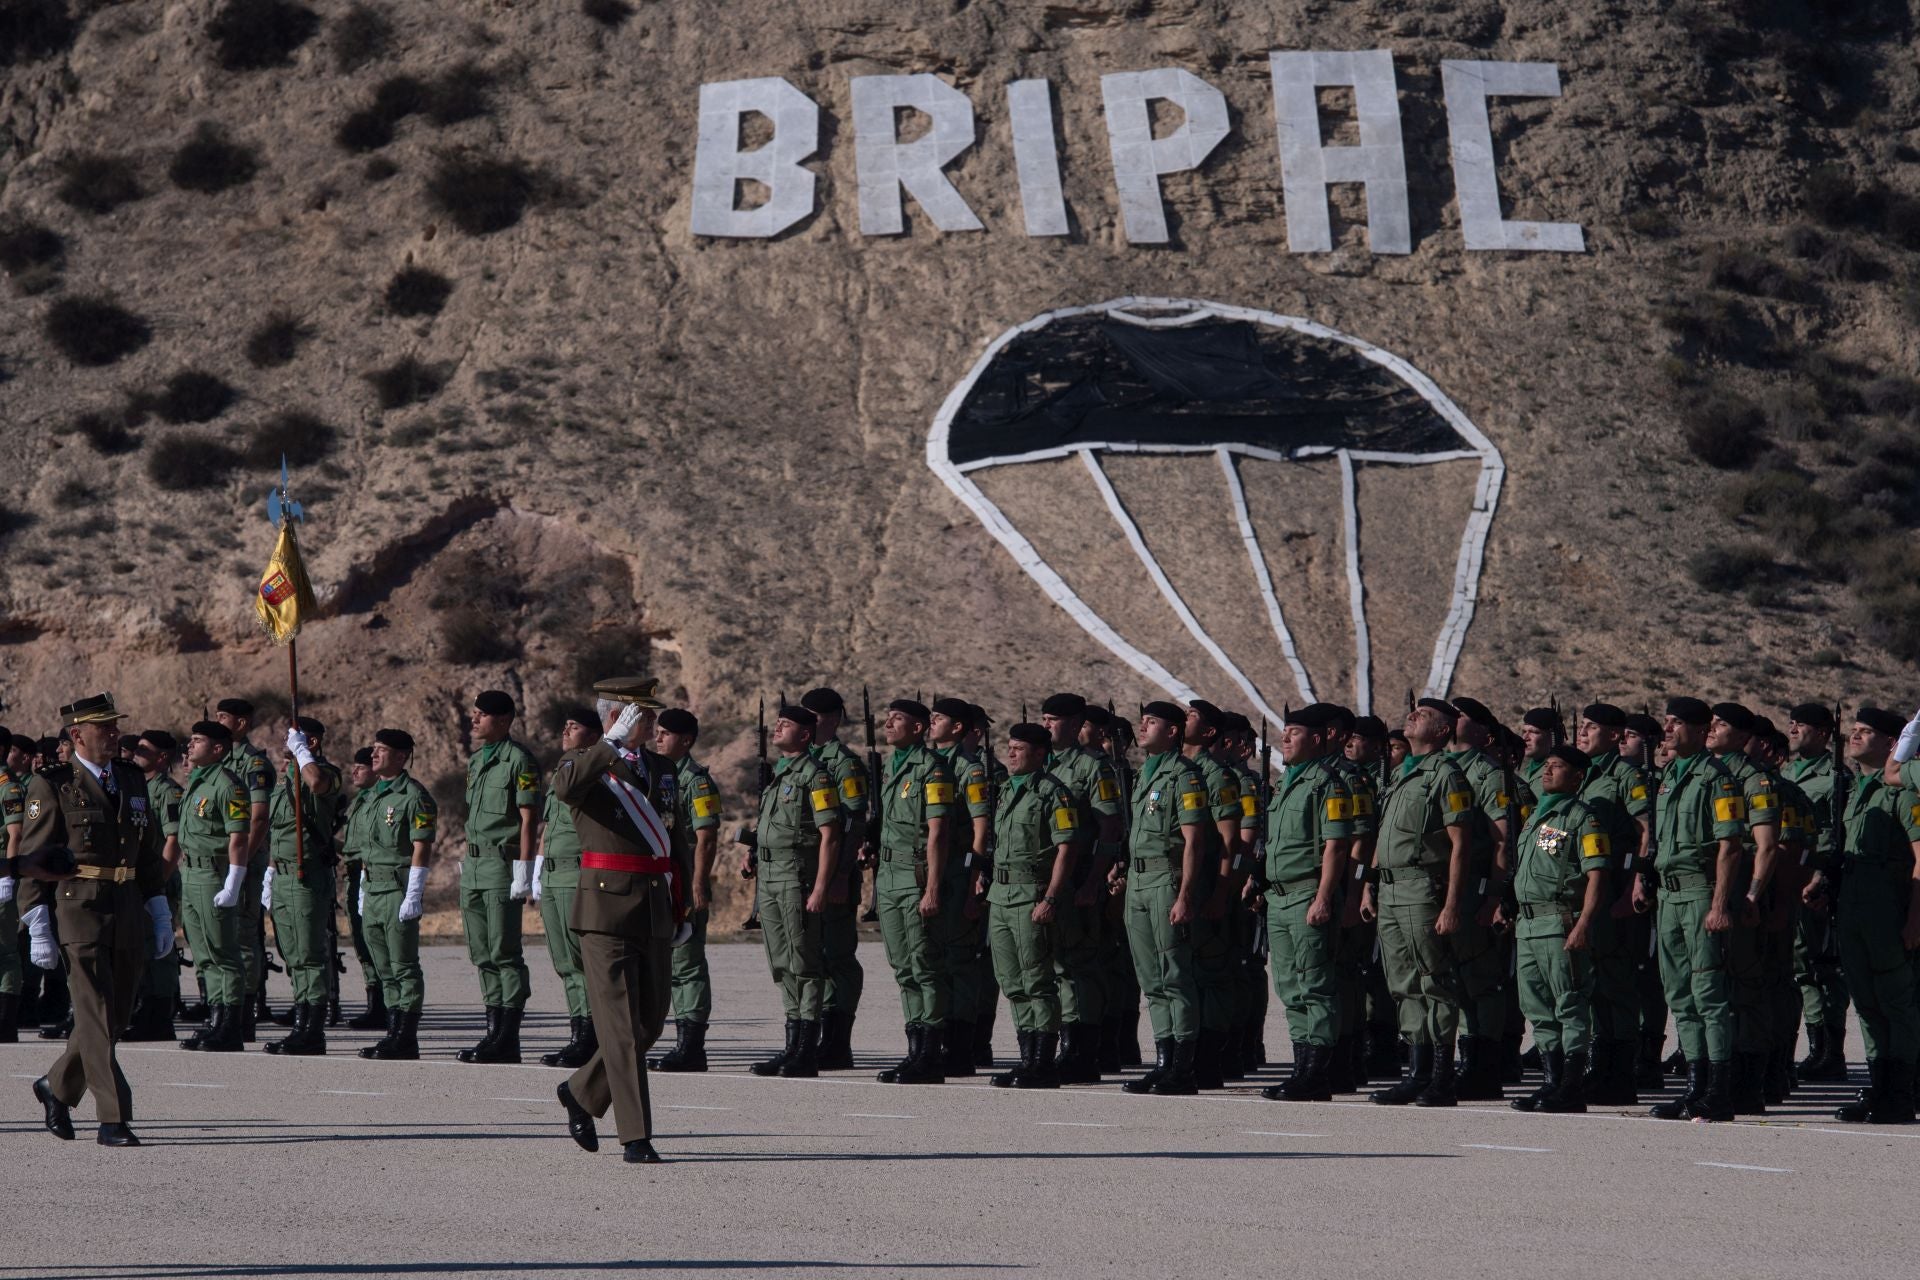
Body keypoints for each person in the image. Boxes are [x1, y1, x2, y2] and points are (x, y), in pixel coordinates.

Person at [23, 693, 171, 1148]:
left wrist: (159, 905)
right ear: (77, 735)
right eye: (103, 727)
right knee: (96, 1013)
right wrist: (37, 921)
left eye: (114, 725)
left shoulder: (130, 778)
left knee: (117, 1016)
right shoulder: (52, 784)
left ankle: (56, 1086)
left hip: (126, 904)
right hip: (79, 907)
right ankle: (113, 1118)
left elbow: (148, 849)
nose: (113, 733)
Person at [551, 680, 681, 1164]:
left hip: (655, 904)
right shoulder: (583, 762)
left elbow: (677, 837)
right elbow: (566, 789)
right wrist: (609, 745)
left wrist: (684, 904)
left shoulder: (661, 768)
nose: (653, 722)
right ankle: (636, 1136)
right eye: (644, 715)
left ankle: (580, 1091)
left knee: (650, 1022)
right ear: (617, 717)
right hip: (605, 909)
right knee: (623, 1028)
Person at [1365, 697, 1475, 1107]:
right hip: (1391, 890)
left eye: (1424, 715)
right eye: (1414, 712)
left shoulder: (1446, 775)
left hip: (1422, 889)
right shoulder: (1401, 774)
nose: (1412, 716)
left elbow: (1461, 845)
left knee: (1434, 981)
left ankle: (1441, 1078)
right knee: (1403, 984)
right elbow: (1384, 837)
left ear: (1443, 731)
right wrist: (1370, 885)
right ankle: (1418, 1073)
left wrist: (1452, 905)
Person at [1640, 697, 1746, 1122]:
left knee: (1708, 994)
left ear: (1702, 730)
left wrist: (1719, 905)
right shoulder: (1669, 776)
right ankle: (1694, 1088)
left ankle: (1718, 1091)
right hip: (1669, 897)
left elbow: (1730, 846)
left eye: (1677, 722)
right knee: (1679, 994)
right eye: (1666, 721)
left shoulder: (1716, 779)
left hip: (1701, 893)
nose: (1667, 729)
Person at [1823, 707, 1918, 1124]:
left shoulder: (1903, 791)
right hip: (1854, 908)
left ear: (1892, 743)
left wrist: (1915, 918)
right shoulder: (1858, 789)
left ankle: (1900, 1092)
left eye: (1866, 731)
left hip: (1889, 909)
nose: (1855, 736)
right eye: (1855, 729)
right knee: (1865, 1001)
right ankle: (1879, 1087)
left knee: (1896, 1001)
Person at [1258, 704, 1353, 1102]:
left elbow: (1336, 846)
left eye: (1294, 732)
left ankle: (1317, 1074)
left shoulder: (1327, 784)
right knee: (1289, 986)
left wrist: (1324, 897)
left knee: (1315, 985)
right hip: (1279, 897)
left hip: (1306, 896)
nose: (1285, 738)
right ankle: (1301, 1069)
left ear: (1315, 739)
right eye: (1285, 731)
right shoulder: (1288, 783)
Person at [1508, 745, 1610, 1114]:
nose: (1547, 771)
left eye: (1558, 766)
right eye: (1546, 765)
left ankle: (1571, 1086)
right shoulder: (1537, 816)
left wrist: (1584, 923)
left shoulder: (1582, 818)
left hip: (1559, 921)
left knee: (1570, 1003)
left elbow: (1597, 874)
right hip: (1528, 923)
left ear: (1578, 776)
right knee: (1537, 1005)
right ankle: (1551, 1083)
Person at [1118, 701, 1210, 1096]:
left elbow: (1194, 841)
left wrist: (1185, 894)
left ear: (1172, 732)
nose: (1142, 727)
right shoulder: (1146, 774)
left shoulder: (1184, 776)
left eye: (1151, 722)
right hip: (1139, 881)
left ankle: (1183, 1067)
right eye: (1142, 721)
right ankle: (1163, 1061)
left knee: (1174, 975)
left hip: (1165, 881)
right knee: (1151, 978)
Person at [746, 704, 841, 1078]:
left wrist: (820, 888)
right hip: (770, 877)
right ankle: (791, 1045)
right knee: (781, 962)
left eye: (785, 725)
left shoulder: (815, 776)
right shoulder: (778, 774)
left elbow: (830, 836)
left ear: (804, 734)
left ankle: (806, 1050)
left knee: (804, 962)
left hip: (796, 877)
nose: (777, 728)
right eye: (778, 723)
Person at [1038, 693, 1125, 1083]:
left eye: (1054, 720)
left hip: (1079, 881)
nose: (1047, 726)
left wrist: (1094, 882)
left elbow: (1110, 828)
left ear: (1075, 725)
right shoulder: (1040, 763)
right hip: (1047, 883)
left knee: (1079, 967)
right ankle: (1059, 1044)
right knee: (1051, 967)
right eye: (1044, 718)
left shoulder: (1093, 767)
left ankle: (1081, 1051)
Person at [984, 722, 1076, 1088]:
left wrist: (1051, 897)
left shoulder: (1052, 793)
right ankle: (1027, 1058)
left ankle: (1043, 1061)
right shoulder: (1007, 789)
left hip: (1030, 896)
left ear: (1039, 754)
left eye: (1019, 748)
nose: (1010, 753)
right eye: (1009, 747)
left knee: (1037, 979)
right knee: (1011, 981)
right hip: (1001, 896)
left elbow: (1066, 848)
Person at [1571, 703, 1652, 1105]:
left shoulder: (1626, 776)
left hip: (1616, 885)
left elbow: (1645, 831)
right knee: (1593, 981)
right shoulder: (1582, 775)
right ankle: (1598, 1067)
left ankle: (1620, 1074)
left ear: (1616, 735)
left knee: (1616, 981)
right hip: (1588, 887)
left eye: (1591, 727)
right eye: (1582, 726)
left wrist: (1636, 884)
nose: (1583, 733)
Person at [872, 698, 955, 1085]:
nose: (888, 724)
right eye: (888, 718)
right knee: (903, 967)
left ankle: (931, 1054)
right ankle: (914, 1050)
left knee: (925, 965)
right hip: (889, 877)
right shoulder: (892, 765)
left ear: (919, 728)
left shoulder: (931, 769)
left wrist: (933, 889)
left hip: (917, 877)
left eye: (897, 719)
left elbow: (938, 833)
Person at [457, 690, 540, 1065]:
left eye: (482, 714)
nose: (474, 720)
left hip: (501, 866)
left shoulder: (519, 760)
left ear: (504, 720)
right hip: (474, 866)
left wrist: (524, 871)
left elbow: (528, 820)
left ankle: (508, 1037)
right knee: (482, 953)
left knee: (504, 952)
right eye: (474, 713)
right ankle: (493, 1033)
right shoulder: (477, 761)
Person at [261, 717, 343, 1056]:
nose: (287, 743)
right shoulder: (286, 781)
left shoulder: (326, 774)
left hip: (305, 876)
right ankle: (301, 1023)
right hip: (282, 875)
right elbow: (280, 832)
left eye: (294, 739)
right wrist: (269, 872)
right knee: (292, 954)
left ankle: (312, 1031)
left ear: (312, 743)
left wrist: (302, 753)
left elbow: (317, 783)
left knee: (309, 954)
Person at [357, 729, 435, 1061]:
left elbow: (422, 846)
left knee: (403, 965)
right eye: (374, 749)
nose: (373, 755)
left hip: (396, 889)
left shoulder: (413, 796)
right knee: (383, 967)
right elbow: (368, 846)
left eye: (382, 750)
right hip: (372, 888)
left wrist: (414, 892)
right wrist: (362, 888)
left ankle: (406, 1037)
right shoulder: (372, 796)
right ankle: (392, 1033)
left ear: (401, 757)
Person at [174, 722, 252, 1054]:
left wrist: (233, 881)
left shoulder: (228, 786)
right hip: (190, 873)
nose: (190, 746)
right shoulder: (197, 781)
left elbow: (239, 837)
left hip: (213, 876)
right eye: (190, 740)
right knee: (204, 953)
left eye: (198, 740)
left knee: (223, 952)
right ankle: (216, 1020)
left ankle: (231, 1026)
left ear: (218, 748)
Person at [800, 687, 867, 1069]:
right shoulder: (800, 760)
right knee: (811, 956)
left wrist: (841, 873)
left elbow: (854, 821)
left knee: (837, 956)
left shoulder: (843, 764)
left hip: (834, 873)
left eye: (814, 717)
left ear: (832, 719)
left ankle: (838, 1042)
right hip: (805, 874)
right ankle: (815, 1036)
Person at [1784, 702, 1848, 1082]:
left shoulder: (1837, 778)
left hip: (1819, 882)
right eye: (1791, 723)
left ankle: (1832, 1051)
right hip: (1791, 879)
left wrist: (1821, 876)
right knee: (1799, 967)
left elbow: (1838, 834)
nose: (1793, 729)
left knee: (1825, 968)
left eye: (1801, 724)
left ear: (1823, 733)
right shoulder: (1786, 773)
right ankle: (1815, 1047)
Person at [536, 708, 599, 1070]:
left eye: (573, 727)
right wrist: (536, 868)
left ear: (593, 736)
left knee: (580, 960)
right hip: (553, 874)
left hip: (577, 874)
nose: (565, 731)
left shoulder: (592, 771)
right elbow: (549, 825)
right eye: (565, 725)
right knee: (563, 961)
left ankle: (590, 1036)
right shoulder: (564, 769)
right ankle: (579, 1034)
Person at [212, 698, 273, 1041]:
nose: (218, 721)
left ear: (241, 723)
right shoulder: (215, 761)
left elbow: (259, 818)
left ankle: (244, 1014)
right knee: (220, 936)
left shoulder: (253, 763)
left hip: (243, 861)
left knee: (244, 937)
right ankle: (222, 1010)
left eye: (224, 717)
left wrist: (242, 863)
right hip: (218, 862)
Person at [122, 730, 184, 1043]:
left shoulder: (167, 792)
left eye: (145, 750)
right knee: (143, 948)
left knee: (160, 951)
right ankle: (145, 1010)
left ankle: (160, 1016)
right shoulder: (138, 787)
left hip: (159, 880)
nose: (137, 752)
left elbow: (174, 839)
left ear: (162, 758)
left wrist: (157, 882)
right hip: (140, 880)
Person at [339, 747, 387, 1031]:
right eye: (354, 766)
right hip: (354, 875)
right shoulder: (357, 802)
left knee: (375, 941)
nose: (354, 771)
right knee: (361, 940)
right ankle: (374, 1002)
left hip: (370, 875)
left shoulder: (378, 801)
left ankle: (384, 1004)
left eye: (361, 767)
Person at [0, 722, 26, 1041]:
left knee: (6, 948)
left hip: (1, 872)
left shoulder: (9, 787)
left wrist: (8, 875)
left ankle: (6, 1021)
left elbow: (15, 834)